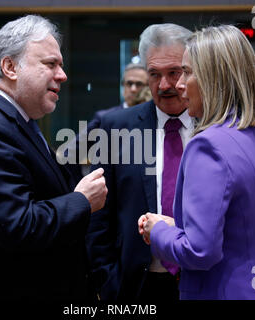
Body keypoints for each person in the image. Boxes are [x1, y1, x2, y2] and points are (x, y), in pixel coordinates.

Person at [0, 15, 107, 300]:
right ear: (10, 67)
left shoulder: (17, 121)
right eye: (50, 64)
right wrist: (82, 201)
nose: (63, 75)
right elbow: (18, 227)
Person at [139, 25, 255, 300]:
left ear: (214, 78)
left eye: (186, 72)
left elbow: (199, 251)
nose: (178, 85)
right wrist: (177, 229)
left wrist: (159, 230)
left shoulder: (207, 145)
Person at [86, 23, 193, 300]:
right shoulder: (114, 127)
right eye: (155, 74)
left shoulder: (214, 126)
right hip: (134, 287)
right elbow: (99, 215)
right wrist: (106, 281)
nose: (165, 85)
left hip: (201, 281)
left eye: (174, 72)